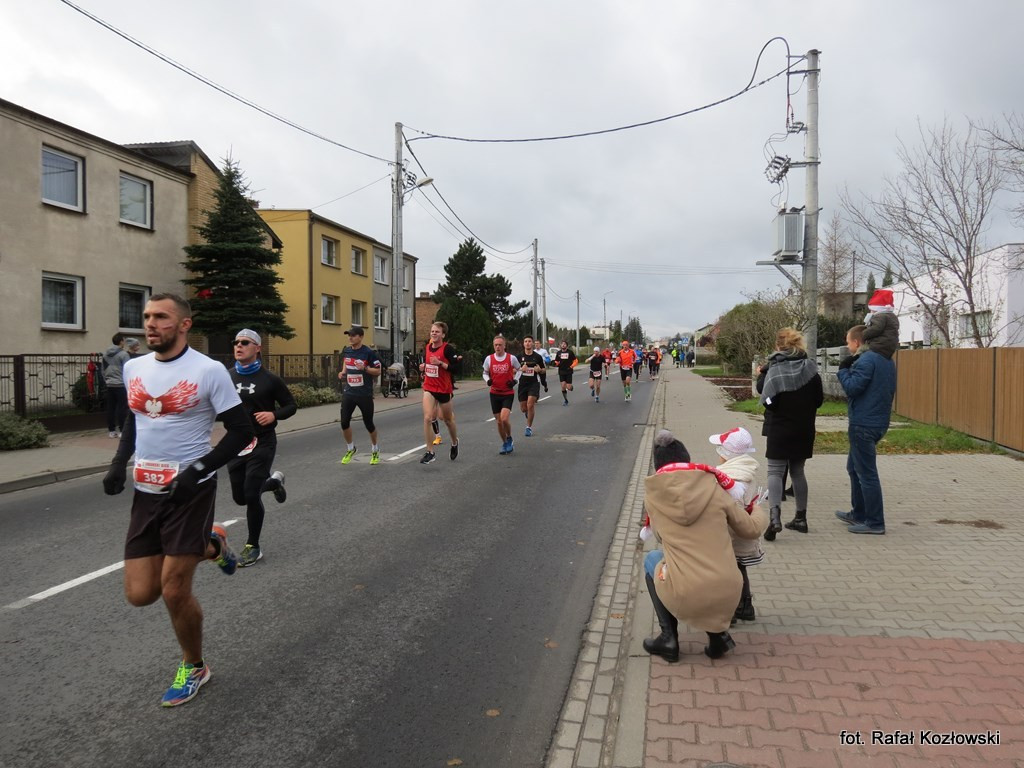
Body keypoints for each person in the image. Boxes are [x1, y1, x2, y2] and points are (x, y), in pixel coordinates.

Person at [101, 293, 254, 707]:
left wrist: (199, 471)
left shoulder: (209, 371)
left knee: (173, 590)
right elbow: (137, 418)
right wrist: (119, 464)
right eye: (147, 316)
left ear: (184, 324)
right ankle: (212, 545)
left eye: (161, 317)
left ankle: (194, 665)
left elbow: (241, 431)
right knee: (140, 594)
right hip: (146, 491)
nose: (151, 324)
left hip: (191, 491)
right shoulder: (134, 367)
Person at [641, 430, 768, 662]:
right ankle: (718, 636)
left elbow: (659, 536)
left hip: (686, 592)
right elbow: (750, 529)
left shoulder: (654, 496)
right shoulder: (715, 487)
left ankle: (668, 638)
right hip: (729, 591)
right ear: (687, 459)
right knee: (711, 567)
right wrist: (758, 509)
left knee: (652, 559)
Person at [227, 329, 296, 567]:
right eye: (236, 342)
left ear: (257, 348)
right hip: (235, 443)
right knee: (240, 498)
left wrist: (273, 414)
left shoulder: (270, 380)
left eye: (245, 342)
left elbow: (290, 406)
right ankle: (274, 482)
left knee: (250, 492)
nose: (238, 346)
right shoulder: (227, 376)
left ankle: (253, 546)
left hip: (263, 442)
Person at [755, 328, 824, 540]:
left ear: (778, 346)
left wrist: (770, 403)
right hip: (804, 428)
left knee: (775, 472)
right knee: (798, 471)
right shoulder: (810, 368)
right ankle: (801, 518)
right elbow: (819, 400)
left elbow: (769, 400)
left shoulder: (775, 370)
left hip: (780, 428)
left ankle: (774, 518)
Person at [836, 324, 897, 534]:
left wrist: (843, 370)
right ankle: (859, 513)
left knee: (866, 474)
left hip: (863, 423)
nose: (847, 345)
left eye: (847, 341)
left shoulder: (867, 360)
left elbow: (853, 388)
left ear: (856, 342)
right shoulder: (887, 360)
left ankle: (875, 522)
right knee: (854, 468)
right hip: (877, 421)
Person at [707, 427, 763, 625]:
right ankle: (745, 606)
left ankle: (728, 611)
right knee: (739, 567)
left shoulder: (728, 477)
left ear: (726, 454)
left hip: (729, 534)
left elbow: (728, 510)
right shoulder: (748, 471)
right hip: (745, 529)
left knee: (727, 572)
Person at [337, 326, 383, 465]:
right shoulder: (347, 350)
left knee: (368, 423)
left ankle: (375, 449)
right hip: (349, 392)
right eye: (349, 335)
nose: (350, 338)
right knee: (344, 422)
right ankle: (351, 448)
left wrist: (365, 368)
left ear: (361, 337)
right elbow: (346, 360)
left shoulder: (368, 353)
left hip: (364, 394)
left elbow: (378, 371)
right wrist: (343, 372)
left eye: (353, 335)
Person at [419, 322, 460, 464]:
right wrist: (424, 367)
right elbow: (429, 365)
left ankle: (454, 442)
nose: (434, 333)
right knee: (427, 418)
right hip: (429, 387)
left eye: (437, 332)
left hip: (443, 389)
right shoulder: (427, 347)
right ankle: (430, 452)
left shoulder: (447, 349)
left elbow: (456, 368)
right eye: (432, 331)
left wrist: (441, 363)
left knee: (448, 420)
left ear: (443, 334)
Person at [483, 335, 521, 454]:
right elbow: (484, 372)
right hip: (494, 393)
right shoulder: (489, 359)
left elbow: (520, 370)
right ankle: (504, 443)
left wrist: (515, 380)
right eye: (496, 345)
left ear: (504, 346)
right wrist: (487, 380)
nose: (498, 347)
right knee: (499, 421)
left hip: (507, 393)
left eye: (500, 345)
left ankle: (509, 438)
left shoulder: (511, 358)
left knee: (504, 419)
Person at [102, 332, 131, 438]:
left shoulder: (105, 354)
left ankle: (111, 430)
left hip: (109, 384)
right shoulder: (124, 354)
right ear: (121, 341)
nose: (125, 342)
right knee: (122, 408)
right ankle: (123, 430)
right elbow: (128, 369)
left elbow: (103, 370)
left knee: (111, 408)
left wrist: (107, 380)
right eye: (124, 340)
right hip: (121, 384)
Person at [518, 335, 545, 436]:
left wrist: (539, 370)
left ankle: (528, 427)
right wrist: (521, 369)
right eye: (526, 341)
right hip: (522, 384)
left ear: (532, 343)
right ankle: (527, 413)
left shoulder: (537, 357)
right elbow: (512, 370)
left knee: (530, 404)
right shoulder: (519, 357)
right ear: (523, 343)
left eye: (529, 341)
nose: (528, 343)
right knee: (523, 408)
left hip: (534, 383)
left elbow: (543, 369)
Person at [862, 288, 900, 359]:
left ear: (877, 309)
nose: (870, 312)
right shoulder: (893, 317)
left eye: (871, 310)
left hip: (879, 345)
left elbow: (876, 329)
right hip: (890, 346)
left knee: (862, 351)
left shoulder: (880, 316)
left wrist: (863, 334)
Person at [554, 340, 577, 405]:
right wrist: (556, 364)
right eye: (562, 344)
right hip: (561, 371)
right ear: (560, 345)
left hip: (568, 371)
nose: (563, 345)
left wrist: (572, 366)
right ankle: (566, 400)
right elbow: (556, 361)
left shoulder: (570, 352)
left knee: (568, 387)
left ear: (566, 345)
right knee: (563, 386)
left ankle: (571, 387)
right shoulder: (558, 353)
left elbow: (575, 360)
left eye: (564, 344)